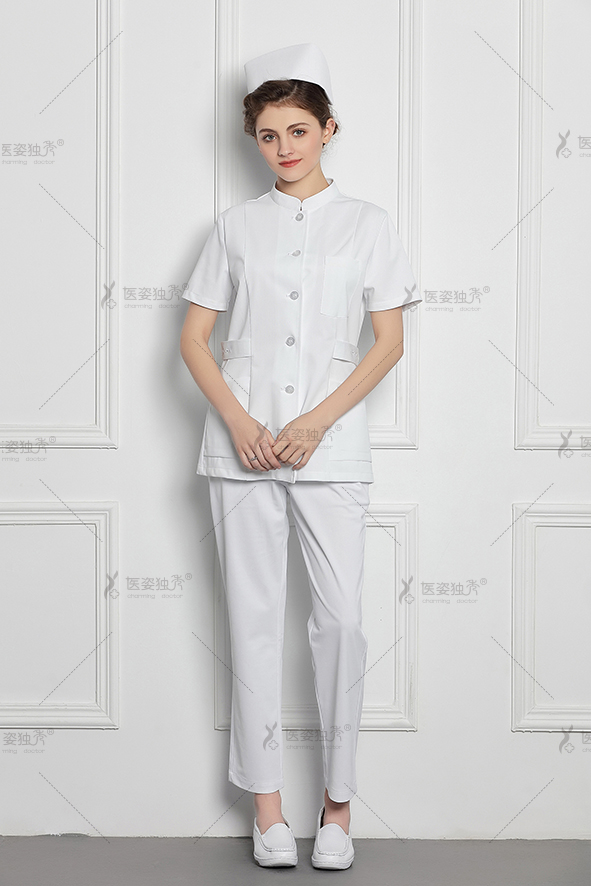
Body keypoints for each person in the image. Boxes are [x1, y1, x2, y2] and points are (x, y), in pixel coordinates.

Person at [180, 43, 421, 870]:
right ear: (252, 140)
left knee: (341, 623)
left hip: (332, 448)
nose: (283, 147)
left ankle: (338, 807)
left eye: (297, 130)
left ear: (327, 130)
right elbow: (194, 338)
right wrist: (239, 420)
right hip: (239, 452)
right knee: (251, 623)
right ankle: (269, 811)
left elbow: (387, 343)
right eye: (267, 134)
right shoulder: (234, 227)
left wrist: (315, 422)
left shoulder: (369, 224)